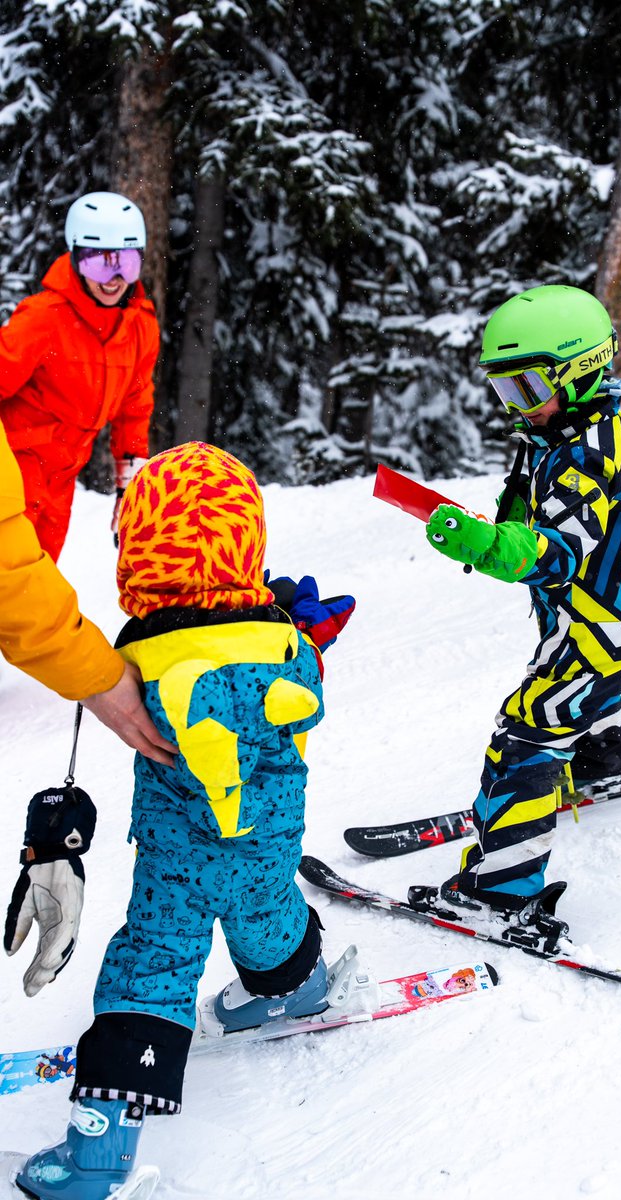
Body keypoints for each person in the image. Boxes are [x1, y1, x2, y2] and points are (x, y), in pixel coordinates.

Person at [12, 442, 355, 1200]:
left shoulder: (138, 662)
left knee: (151, 970)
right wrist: (297, 634)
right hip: (267, 848)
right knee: (270, 916)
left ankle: (98, 1150)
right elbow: (304, 687)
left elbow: (168, 678)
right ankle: (293, 987)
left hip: (178, 871)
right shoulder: (288, 647)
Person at [423, 284, 621, 917]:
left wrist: (487, 546)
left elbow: (558, 552)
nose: (516, 407)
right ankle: (604, 754)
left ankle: (504, 886)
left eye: (527, 389)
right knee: (580, 688)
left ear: (582, 373)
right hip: (606, 618)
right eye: (504, 391)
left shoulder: (586, 454)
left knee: (527, 730)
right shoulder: (562, 436)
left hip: (598, 623)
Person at [0, 418, 174, 764]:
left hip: (52, 474)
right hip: (27, 468)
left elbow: (135, 401)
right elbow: (10, 573)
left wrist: (130, 478)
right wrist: (96, 677)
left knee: (35, 569)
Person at [0, 190, 158, 562]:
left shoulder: (139, 328)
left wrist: (129, 489)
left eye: (126, 263)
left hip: (61, 483)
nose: (113, 278)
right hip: (14, 474)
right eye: (99, 264)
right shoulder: (43, 318)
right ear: (75, 259)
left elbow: (134, 412)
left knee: (35, 588)